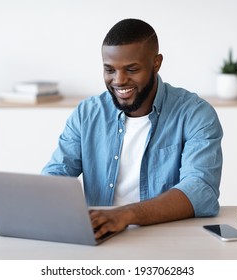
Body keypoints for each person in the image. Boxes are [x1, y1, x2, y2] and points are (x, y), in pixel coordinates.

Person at [42, 18, 223, 239]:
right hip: (101, 236)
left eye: (132, 69)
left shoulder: (194, 113)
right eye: (109, 70)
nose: (119, 80)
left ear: (156, 63)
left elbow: (200, 190)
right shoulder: (87, 113)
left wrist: (125, 215)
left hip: (168, 238)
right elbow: (57, 173)